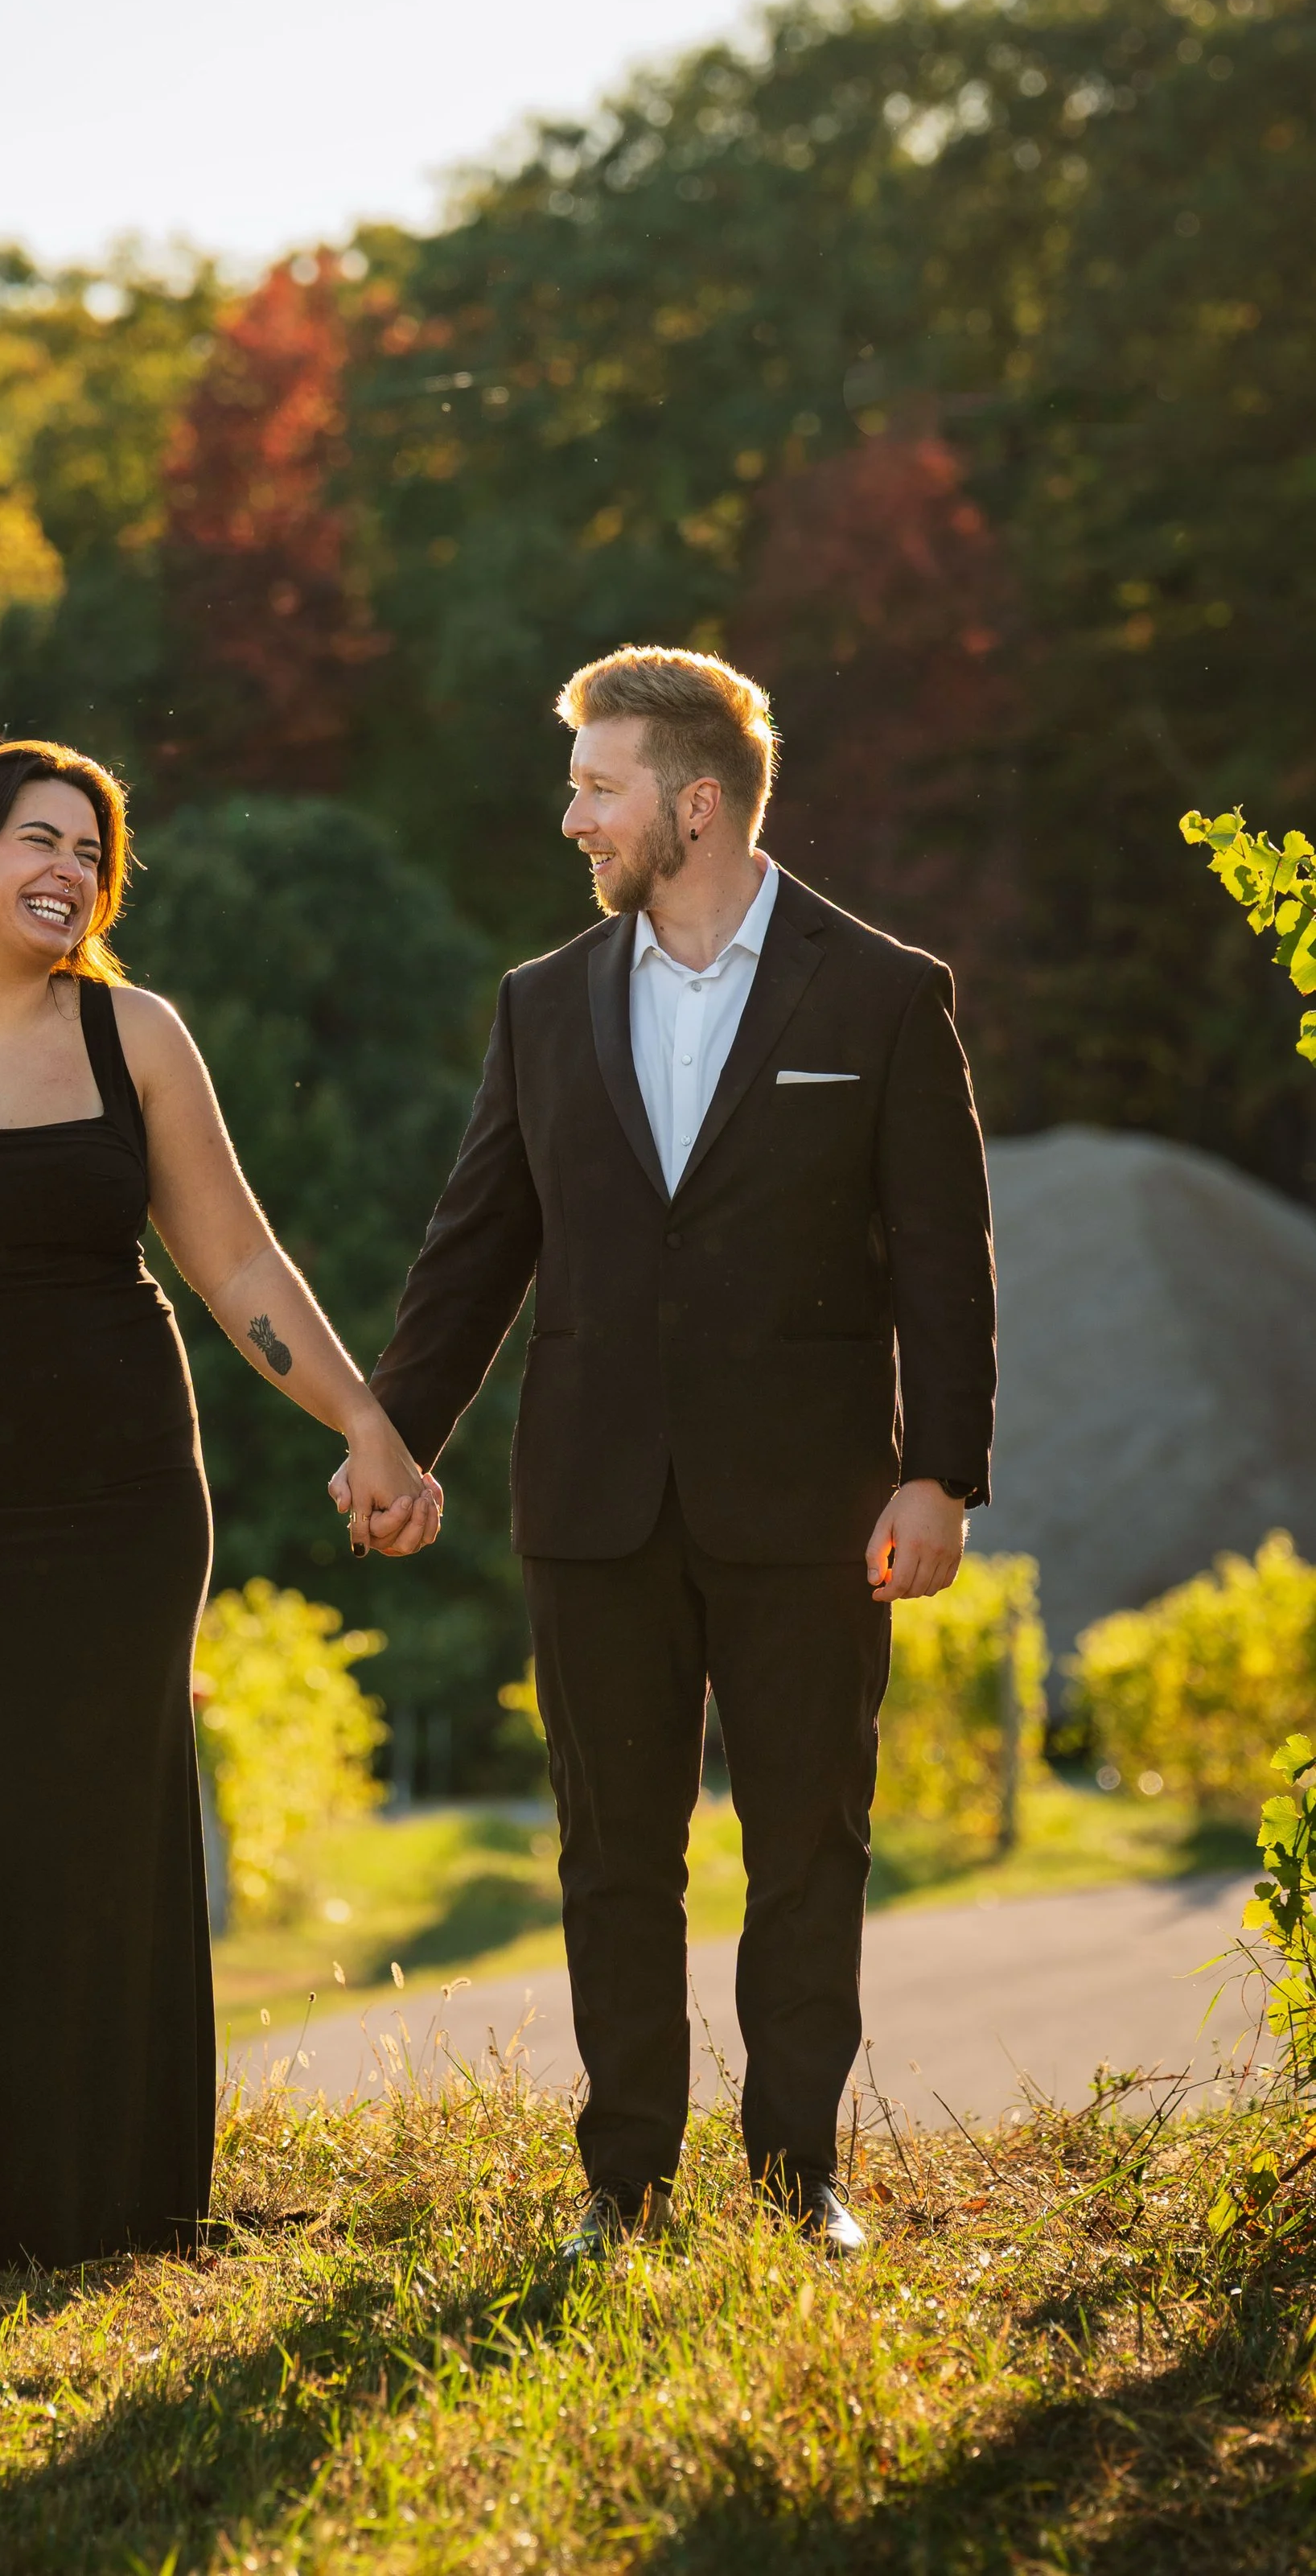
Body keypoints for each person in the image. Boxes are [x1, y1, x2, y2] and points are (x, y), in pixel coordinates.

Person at [334, 647, 995, 2258]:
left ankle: (795, 2174)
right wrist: (391, 1434)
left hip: (812, 1504)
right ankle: (621, 2183)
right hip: (592, 1498)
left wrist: (939, 1471)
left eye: (597, 788)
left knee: (807, 1848)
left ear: (695, 804)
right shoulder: (541, 1002)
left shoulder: (882, 992)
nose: (572, 819)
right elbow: (475, 1248)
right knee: (612, 1853)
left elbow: (942, 1257)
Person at [0, 739, 438, 2279]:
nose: (69, 870)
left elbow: (237, 1260)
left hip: (126, 1497)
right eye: (39, 839)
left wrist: (366, 1422)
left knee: (111, 1818)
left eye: (92, 852)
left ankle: (120, 2202)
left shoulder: (138, 1034)